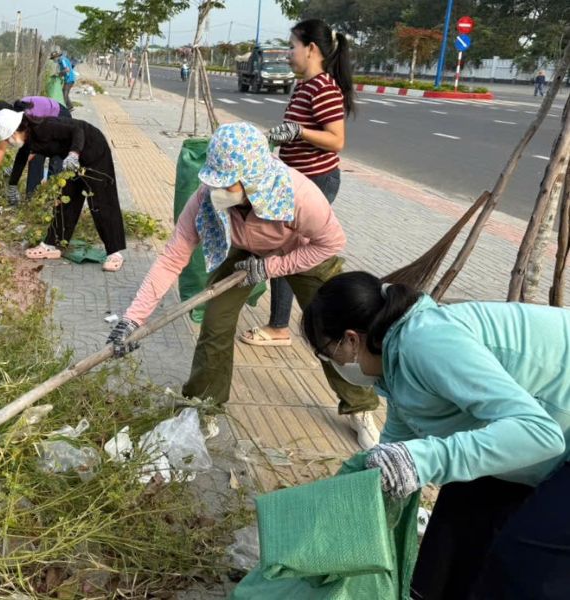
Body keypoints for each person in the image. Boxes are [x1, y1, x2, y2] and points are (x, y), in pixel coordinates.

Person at [106, 122, 380, 448]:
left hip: (305, 252)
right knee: (215, 324)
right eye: (214, 182)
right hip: (246, 251)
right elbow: (170, 260)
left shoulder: (300, 196)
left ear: (254, 179)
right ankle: (203, 407)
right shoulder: (207, 199)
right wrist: (132, 319)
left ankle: (359, 407)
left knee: (332, 328)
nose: (217, 191)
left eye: (227, 183)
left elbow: (331, 242)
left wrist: (269, 268)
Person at [301, 271, 570, 599]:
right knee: (453, 538)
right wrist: (348, 505)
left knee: (523, 559)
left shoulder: (426, 342)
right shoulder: (393, 362)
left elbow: (539, 434)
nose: (331, 364)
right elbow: (397, 446)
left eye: (328, 354)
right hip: (540, 424)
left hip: (547, 427)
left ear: (351, 339)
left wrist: (421, 461)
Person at [239, 18, 355, 351]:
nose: (289, 53)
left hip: (317, 182)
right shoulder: (305, 86)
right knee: (283, 248)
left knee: (290, 251)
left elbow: (336, 140)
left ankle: (283, 326)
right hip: (297, 180)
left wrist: (298, 132)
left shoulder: (323, 87)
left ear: (312, 49)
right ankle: (284, 323)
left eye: (292, 46)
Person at [0, 108, 126, 271]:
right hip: (72, 158)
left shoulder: (44, 127)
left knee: (101, 201)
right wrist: (12, 185)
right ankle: (52, 245)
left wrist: (74, 154)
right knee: (67, 198)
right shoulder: (29, 139)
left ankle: (114, 252)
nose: (9, 143)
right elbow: (21, 159)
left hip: (93, 149)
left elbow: (78, 130)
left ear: (17, 129)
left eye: (9, 138)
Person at [0, 97, 71, 204]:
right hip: (43, 124)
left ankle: (52, 199)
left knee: (55, 161)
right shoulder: (14, 123)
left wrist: (13, 170)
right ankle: (32, 198)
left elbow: (30, 150)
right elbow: (2, 147)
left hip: (59, 115)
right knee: (35, 160)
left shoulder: (27, 117)